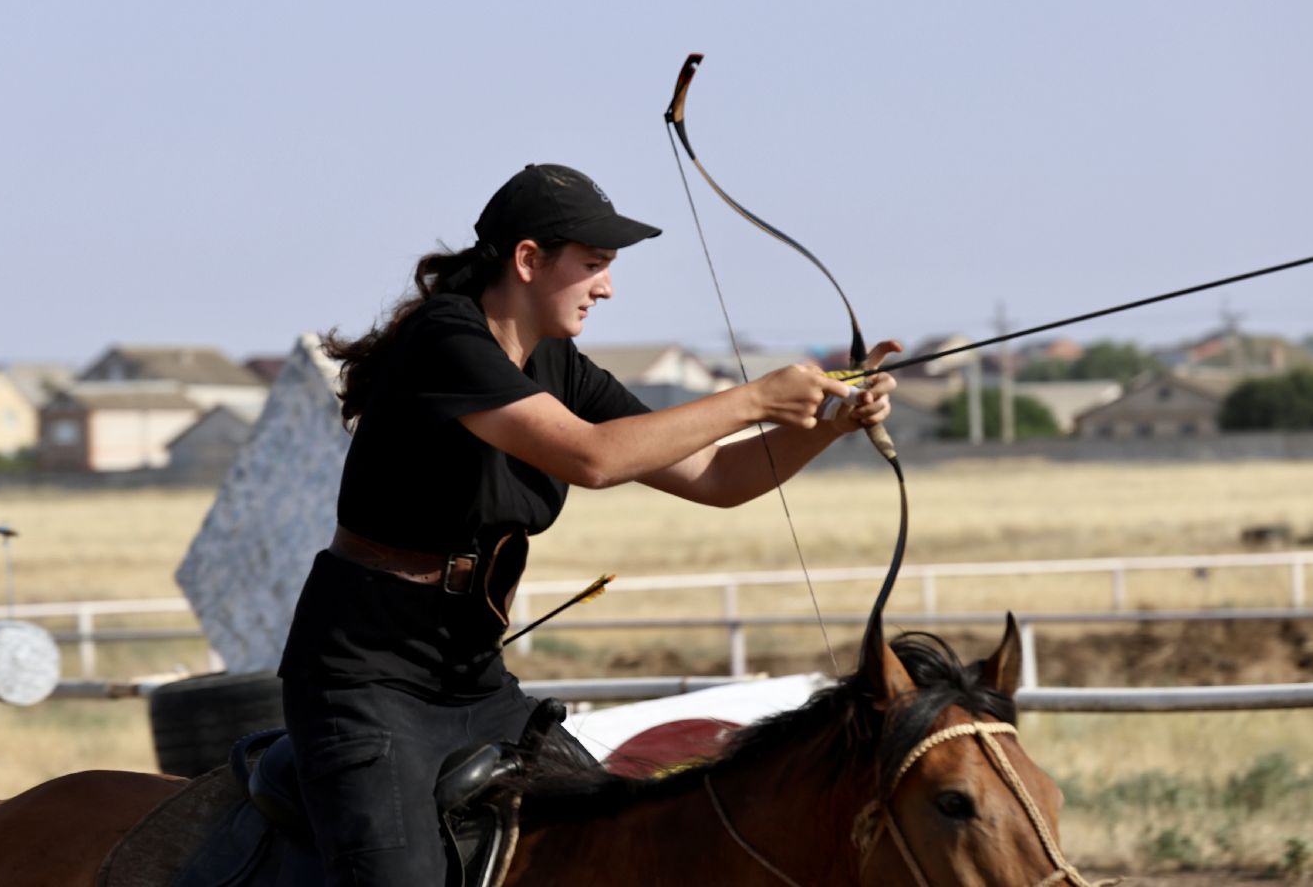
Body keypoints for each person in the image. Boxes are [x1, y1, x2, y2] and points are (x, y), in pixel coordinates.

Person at [276, 162, 898, 885]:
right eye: (595, 265)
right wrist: (757, 397)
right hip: (364, 679)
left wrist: (829, 426)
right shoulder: (447, 338)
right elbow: (593, 458)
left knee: (620, 847)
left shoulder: (558, 363)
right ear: (529, 260)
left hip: (473, 679)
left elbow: (722, 479)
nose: (607, 286)